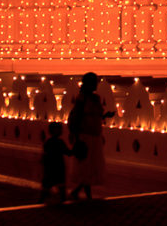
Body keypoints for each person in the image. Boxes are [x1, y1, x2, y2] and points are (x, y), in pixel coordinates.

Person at [67, 72, 115, 200]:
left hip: (95, 135)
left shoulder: (95, 98)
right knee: (86, 165)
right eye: (94, 83)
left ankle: (82, 193)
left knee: (91, 165)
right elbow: (77, 116)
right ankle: (85, 194)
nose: (96, 85)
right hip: (85, 135)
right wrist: (75, 134)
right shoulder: (82, 98)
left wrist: (106, 116)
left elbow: (97, 115)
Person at [40, 121, 72, 203]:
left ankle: (42, 200)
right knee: (60, 186)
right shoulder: (59, 142)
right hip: (58, 167)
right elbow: (67, 152)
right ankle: (62, 200)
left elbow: (45, 153)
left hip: (50, 167)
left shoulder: (48, 142)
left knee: (47, 186)